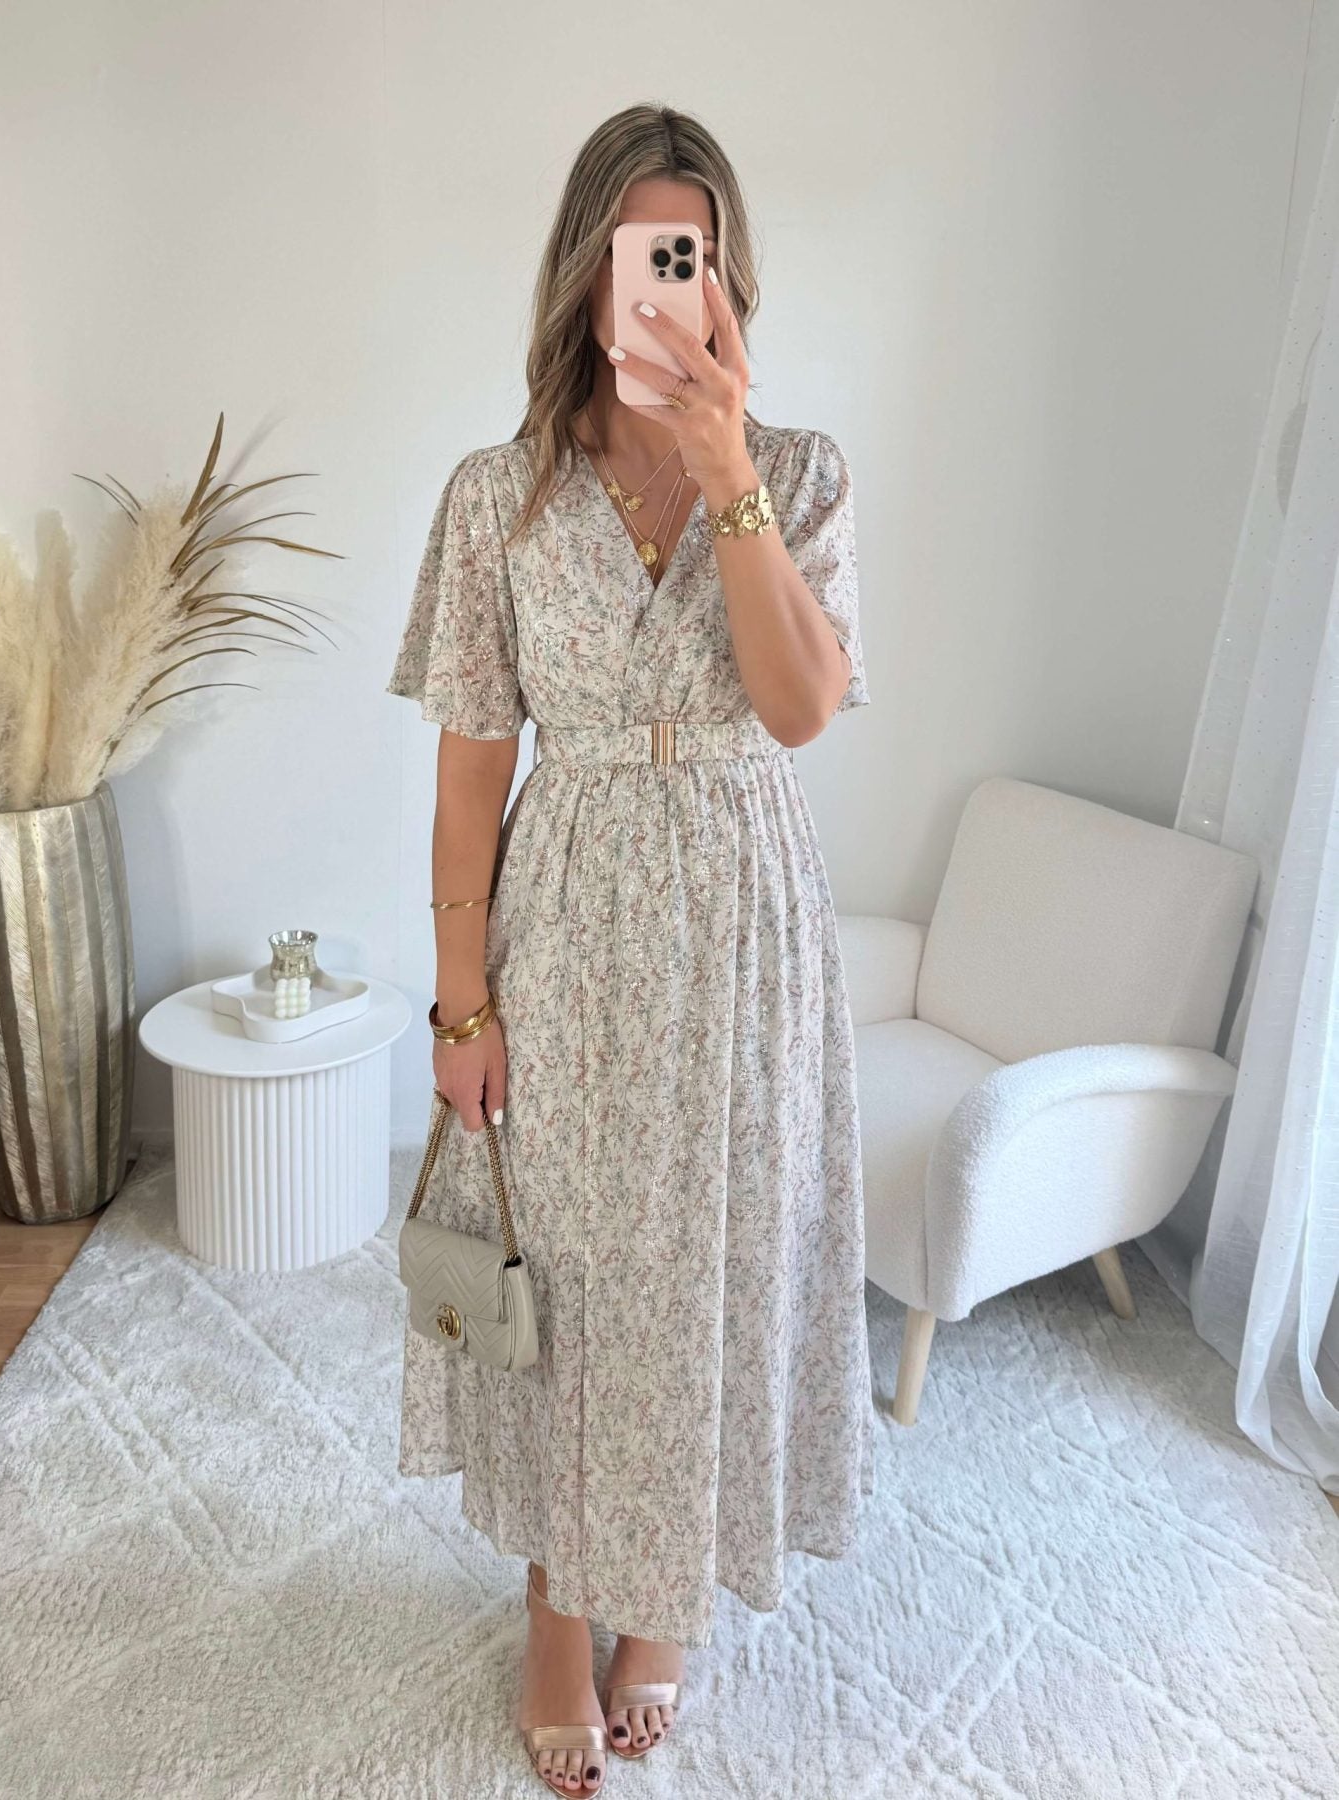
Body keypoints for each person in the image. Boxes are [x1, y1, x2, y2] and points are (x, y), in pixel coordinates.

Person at [386, 101, 875, 1796]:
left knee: (716, 1266)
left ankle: (660, 1602)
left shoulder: (800, 472)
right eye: (642, 252)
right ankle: (556, 1604)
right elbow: (470, 773)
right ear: (586, 269)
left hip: (744, 924)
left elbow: (799, 711)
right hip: (570, 916)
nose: (671, 281)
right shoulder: (497, 494)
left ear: (727, 276)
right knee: (577, 1282)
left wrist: (728, 473)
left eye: (698, 254)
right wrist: (460, 1003)